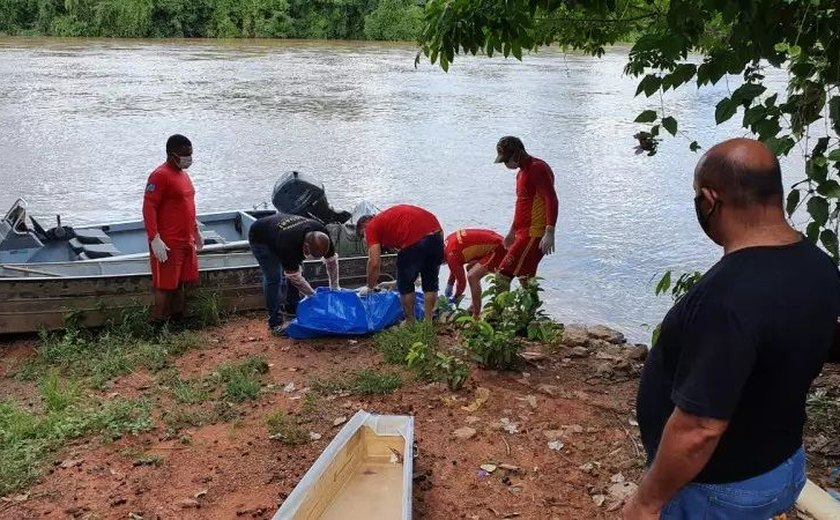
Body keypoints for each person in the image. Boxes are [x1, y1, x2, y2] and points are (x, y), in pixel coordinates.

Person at [623, 138, 840, 520]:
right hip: (783, 465)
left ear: (709, 200)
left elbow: (700, 427)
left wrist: (646, 502)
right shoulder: (818, 266)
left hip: (720, 489)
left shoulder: (727, 297)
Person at [142, 134, 203, 322]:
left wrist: (196, 230)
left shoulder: (184, 175)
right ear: (172, 154)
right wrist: (154, 237)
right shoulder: (159, 175)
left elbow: (188, 204)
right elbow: (149, 207)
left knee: (182, 282)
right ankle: (157, 323)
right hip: (168, 242)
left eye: (190, 154)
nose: (189, 158)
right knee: (165, 286)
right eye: (185, 155)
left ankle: (178, 319)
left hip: (186, 239)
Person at [248, 212, 339, 334]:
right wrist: (313, 296)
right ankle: (275, 323)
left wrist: (334, 288)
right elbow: (293, 276)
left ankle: (292, 308)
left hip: (280, 231)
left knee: (296, 268)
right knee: (274, 278)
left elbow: (332, 262)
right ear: (306, 246)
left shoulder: (322, 232)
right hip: (261, 236)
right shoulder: (288, 244)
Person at [356, 204, 443, 323]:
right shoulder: (387, 221)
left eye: (362, 236)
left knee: (405, 285)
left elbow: (374, 263)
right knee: (430, 283)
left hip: (415, 239)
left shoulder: (370, 227)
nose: (365, 240)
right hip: (436, 234)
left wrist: (370, 287)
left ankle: (410, 322)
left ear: (364, 226)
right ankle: (429, 322)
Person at [494, 136, 558, 289]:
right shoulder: (521, 173)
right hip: (522, 233)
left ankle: (498, 313)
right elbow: (521, 205)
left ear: (517, 154)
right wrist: (512, 232)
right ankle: (529, 313)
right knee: (526, 280)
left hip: (533, 233)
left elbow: (551, 199)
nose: (505, 164)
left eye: (506, 160)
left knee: (501, 277)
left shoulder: (537, 168)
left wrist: (550, 231)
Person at [443, 228, 506, 319]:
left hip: (498, 248)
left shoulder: (452, 256)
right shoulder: (448, 244)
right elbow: (455, 266)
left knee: (472, 276)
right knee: (470, 268)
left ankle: (476, 315)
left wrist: (455, 298)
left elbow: (461, 283)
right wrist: (450, 283)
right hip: (495, 241)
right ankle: (473, 307)